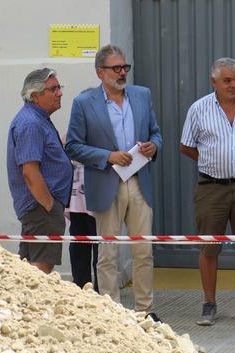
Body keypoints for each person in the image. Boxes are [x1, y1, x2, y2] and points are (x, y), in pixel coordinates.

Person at [65, 44, 162, 321]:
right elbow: (73, 146)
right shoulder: (84, 103)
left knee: (143, 250)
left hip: (139, 181)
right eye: (116, 68)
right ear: (100, 72)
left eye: (125, 67)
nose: (122, 73)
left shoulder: (142, 96)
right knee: (108, 253)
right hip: (106, 182)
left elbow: (156, 133)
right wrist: (107, 156)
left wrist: (154, 146)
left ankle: (145, 311)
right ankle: (113, 314)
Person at [180, 57, 235, 326]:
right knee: (209, 247)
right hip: (211, 187)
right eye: (227, 80)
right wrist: (212, 160)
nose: (233, 85)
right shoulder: (199, 109)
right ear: (213, 82)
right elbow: (186, 146)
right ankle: (209, 303)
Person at [6, 68, 72, 274]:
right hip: (41, 210)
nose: (60, 93)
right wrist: (49, 206)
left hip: (40, 209)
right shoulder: (31, 123)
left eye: (59, 87)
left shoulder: (37, 119)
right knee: (41, 268)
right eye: (53, 89)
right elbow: (30, 171)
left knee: (28, 269)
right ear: (35, 96)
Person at [65, 160, 99, 290]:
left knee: (100, 249)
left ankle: (101, 292)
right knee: (78, 247)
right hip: (75, 193)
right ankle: (81, 289)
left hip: (99, 191)